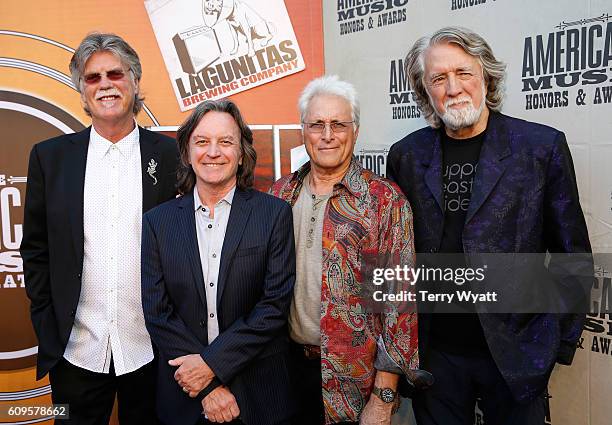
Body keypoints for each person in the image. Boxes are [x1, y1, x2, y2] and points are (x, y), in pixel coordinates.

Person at [386, 26, 592, 425]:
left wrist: (556, 345)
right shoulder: (406, 156)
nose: (453, 88)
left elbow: (573, 256)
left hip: (517, 355)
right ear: (424, 90)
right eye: (438, 78)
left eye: (464, 72)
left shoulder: (540, 147)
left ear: (487, 75)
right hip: (435, 358)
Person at [20, 32, 179, 424]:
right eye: (93, 78)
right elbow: (35, 249)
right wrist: (47, 323)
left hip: (153, 351)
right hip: (75, 351)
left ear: (135, 82)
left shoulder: (172, 155)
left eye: (115, 74)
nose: (105, 84)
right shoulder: (49, 158)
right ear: (82, 91)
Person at [270, 75, 419, 425]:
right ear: (302, 130)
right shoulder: (278, 195)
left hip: (355, 383)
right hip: (283, 372)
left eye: (338, 124)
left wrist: (384, 397)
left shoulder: (384, 202)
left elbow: (399, 306)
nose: (327, 135)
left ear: (355, 130)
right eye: (317, 124)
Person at [141, 99, 296, 425]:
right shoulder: (158, 222)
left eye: (226, 142)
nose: (213, 152)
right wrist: (208, 386)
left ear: (241, 154)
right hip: (184, 397)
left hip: (256, 395)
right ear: (186, 152)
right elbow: (158, 312)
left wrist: (211, 366)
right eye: (202, 141)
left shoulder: (273, 215)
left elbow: (273, 307)